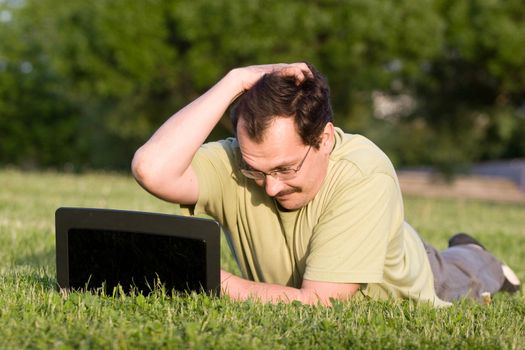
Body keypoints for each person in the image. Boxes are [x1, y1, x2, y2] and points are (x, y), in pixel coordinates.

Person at [132, 62, 521, 306]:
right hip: (359, 237)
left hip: (416, 277)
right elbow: (151, 169)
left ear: (325, 139)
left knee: (462, 273)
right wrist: (235, 80)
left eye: (286, 169)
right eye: (257, 171)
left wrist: (214, 283)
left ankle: (477, 254)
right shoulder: (238, 162)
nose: (269, 188)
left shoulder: (364, 174)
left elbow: (322, 301)